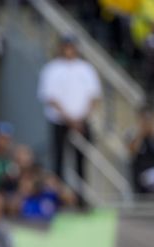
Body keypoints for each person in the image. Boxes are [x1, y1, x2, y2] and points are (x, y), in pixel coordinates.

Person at [37, 35, 101, 207]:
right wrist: (69, 119)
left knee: (81, 161)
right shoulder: (52, 69)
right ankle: (59, 200)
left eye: (71, 46)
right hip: (60, 122)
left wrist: (81, 118)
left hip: (82, 121)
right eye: (66, 46)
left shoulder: (86, 69)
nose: (69, 50)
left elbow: (94, 97)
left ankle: (81, 200)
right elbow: (50, 97)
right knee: (58, 161)